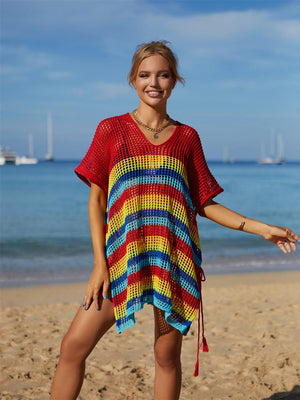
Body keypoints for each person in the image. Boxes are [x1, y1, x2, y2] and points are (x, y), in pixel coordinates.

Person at [50, 41, 299, 400]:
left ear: (174, 80)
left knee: (166, 357)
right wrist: (98, 264)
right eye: (145, 74)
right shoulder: (112, 130)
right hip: (122, 261)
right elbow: (97, 200)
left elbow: (205, 204)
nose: (154, 82)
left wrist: (263, 229)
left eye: (163, 75)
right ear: (133, 80)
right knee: (72, 347)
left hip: (173, 262)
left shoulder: (186, 138)